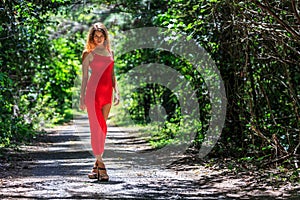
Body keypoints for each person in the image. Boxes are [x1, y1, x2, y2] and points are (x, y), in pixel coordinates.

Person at [80, 22, 120, 181]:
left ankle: (96, 166)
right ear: (92, 37)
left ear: (105, 36)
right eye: (95, 36)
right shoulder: (87, 53)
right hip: (92, 93)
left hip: (107, 93)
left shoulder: (110, 52)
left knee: (102, 128)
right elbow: (84, 78)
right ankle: (102, 166)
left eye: (100, 36)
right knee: (95, 128)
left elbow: (112, 75)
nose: (98, 38)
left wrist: (117, 92)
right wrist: (81, 97)